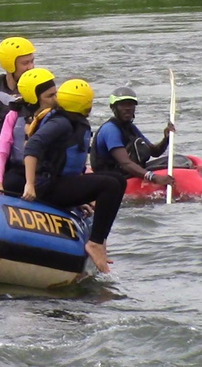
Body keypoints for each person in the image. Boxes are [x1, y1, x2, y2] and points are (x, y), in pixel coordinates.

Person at [22, 79, 126, 273]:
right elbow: (32, 146)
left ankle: (100, 240)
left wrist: (79, 197)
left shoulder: (73, 121)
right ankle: (94, 243)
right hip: (46, 186)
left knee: (117, 179)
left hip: (59, 183)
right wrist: (29, 184)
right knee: (109, 185)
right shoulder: (61, 123)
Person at [0, 68, 58, 194]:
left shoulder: (59, 117)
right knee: (11, 183)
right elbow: (2, 151)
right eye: (50, 96)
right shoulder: (14, 114)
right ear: (34, 98)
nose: (56, 99)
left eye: (55, 93)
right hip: (19, 171)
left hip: (48, 175)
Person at [90, 87, 175, 186]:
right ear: (113, 108)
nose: (128, 108)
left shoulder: (130, 127)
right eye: (122, 105)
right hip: (111, 178)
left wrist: (166, 138)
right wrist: (153, 177)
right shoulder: (110, 130)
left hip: (124, 172)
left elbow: (155, 152)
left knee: (172, 160)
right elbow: (125, 163)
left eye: (130, 104)